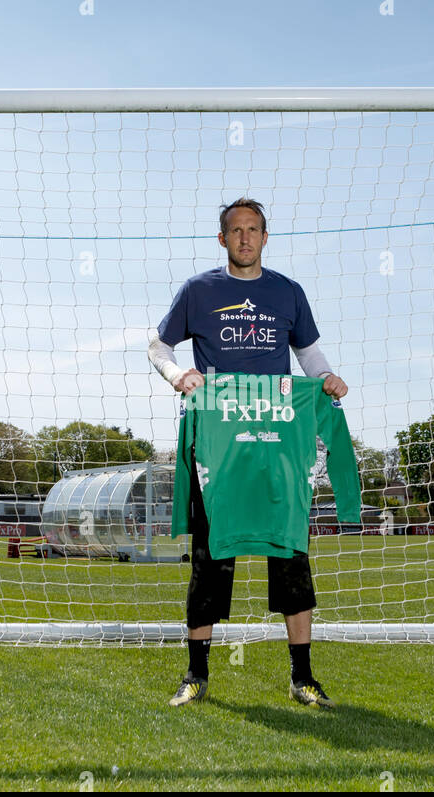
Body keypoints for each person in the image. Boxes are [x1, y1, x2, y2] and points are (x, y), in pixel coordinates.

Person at [148, 197, 348, 708]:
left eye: (253, 229)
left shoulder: (288, 292)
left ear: (265, 236)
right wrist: (179, 375)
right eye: (235, 230)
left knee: (291, 556)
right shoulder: (198, 290)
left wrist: (325, 378)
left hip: (278, 445)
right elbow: (158, 347)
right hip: (219, 447)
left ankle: (302, 677)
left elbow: (308, 354)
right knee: (210, 558)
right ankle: (196, 675)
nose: (244, 238)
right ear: (222, 239)